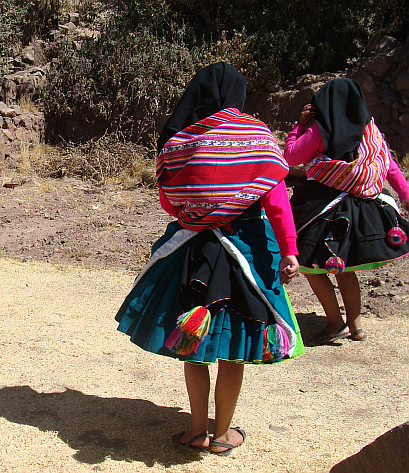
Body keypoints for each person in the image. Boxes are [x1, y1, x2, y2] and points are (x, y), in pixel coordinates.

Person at [115, 63, 304, 456]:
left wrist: (202, 209)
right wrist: (288, 249)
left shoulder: (178, 143)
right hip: (246, 250)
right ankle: (222, 435)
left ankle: (197, 429)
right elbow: (277, 200)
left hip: (189, 252)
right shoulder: (256, 136)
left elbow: (170, 203)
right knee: (234, 345)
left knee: (193, 341)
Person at [283, 78, 409, 343]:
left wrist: (300, 126)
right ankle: (356, 325)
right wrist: (405, 196)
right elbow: (389, 166)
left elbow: (291, 157)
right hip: (361, 209)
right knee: (345, 267)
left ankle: (334, 322)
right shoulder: (369, 131)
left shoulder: (320, 129)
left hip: (321, 208)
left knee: (310, 267)